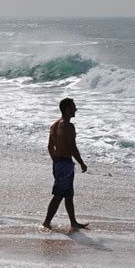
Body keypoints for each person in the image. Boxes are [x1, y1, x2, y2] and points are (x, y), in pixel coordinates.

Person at [43, 98, 88, 230]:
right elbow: (72, 148)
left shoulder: (54, 124)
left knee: (68, 194)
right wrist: (82, 163)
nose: (76, 109)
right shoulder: (68, 126)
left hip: (59, 163)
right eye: (74, 107)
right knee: (58, 195)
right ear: (68, 109)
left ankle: (73, 222)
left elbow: (50, 146)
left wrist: (55, 161)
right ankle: (46, 221)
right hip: (65, 164)